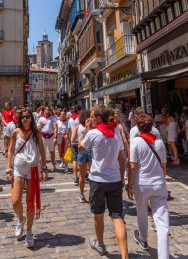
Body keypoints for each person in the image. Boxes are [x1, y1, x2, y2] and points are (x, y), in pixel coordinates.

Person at [78, 106, 128, 258]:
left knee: (98, 215)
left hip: (98, 180)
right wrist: (120, 178)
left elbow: (80, 148)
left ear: (98, 118)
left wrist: (86, 130)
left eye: (92, 116)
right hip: (114, 180)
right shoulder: (115, 134)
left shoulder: (93, 133)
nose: (91, 119)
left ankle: (100, 244)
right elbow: (122, 159)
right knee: (117, 216)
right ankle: (124, 255)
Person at [128, 112, 169, 258]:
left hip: (142, 183)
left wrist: (129, 185)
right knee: (162, 223)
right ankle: (163, 256)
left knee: (142, 213)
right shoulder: (159, 143)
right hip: (158, 183)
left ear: (138, 126)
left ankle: (143, 240)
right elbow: (164, 167)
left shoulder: (135, 142)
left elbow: (133, 167)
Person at [6, 107, 47, 248]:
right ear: (19, 119)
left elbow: (41, 149)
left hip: (33, 170)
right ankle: (21, 220)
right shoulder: (15, 132)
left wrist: (45, 167)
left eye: (27, 117)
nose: (25, 119)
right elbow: (10, 150)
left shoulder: (36, 133)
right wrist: (8, 168)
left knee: (30, 203)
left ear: (31, 118)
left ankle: (29, 232)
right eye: (23, 117)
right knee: (15, 200)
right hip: (18, 169)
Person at [72, 109, 91, 203]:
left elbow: (72, 140)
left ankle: (82, 194)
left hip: (82, 150)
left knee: (82, 175)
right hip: (91, 150)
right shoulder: (93, 127)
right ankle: (93, 193)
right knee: (92, 174)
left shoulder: (78, 127)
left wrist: (78, 142)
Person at [37, 106, 57, 171]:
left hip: (51, 136)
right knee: (42, 152)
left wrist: (55, 137)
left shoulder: (53, 118)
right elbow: (38, 128)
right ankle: (43, 166)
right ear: (44, 110)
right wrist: (41, 126)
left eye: (49, 109)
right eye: (47, 109)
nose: (48, 111)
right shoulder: (41, 119)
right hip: (43, 137)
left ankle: (53, 165)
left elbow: (55, 128)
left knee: (52, 151)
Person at [68, 105, 81, 185]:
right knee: (82, 158)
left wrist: (69, 141)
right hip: (80, 140)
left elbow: (69, 131)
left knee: (75, 159)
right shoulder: (80, 118)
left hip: (73, 140)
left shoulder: (70, 120)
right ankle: (82, 174)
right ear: (79, 110)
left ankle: (75, 176)